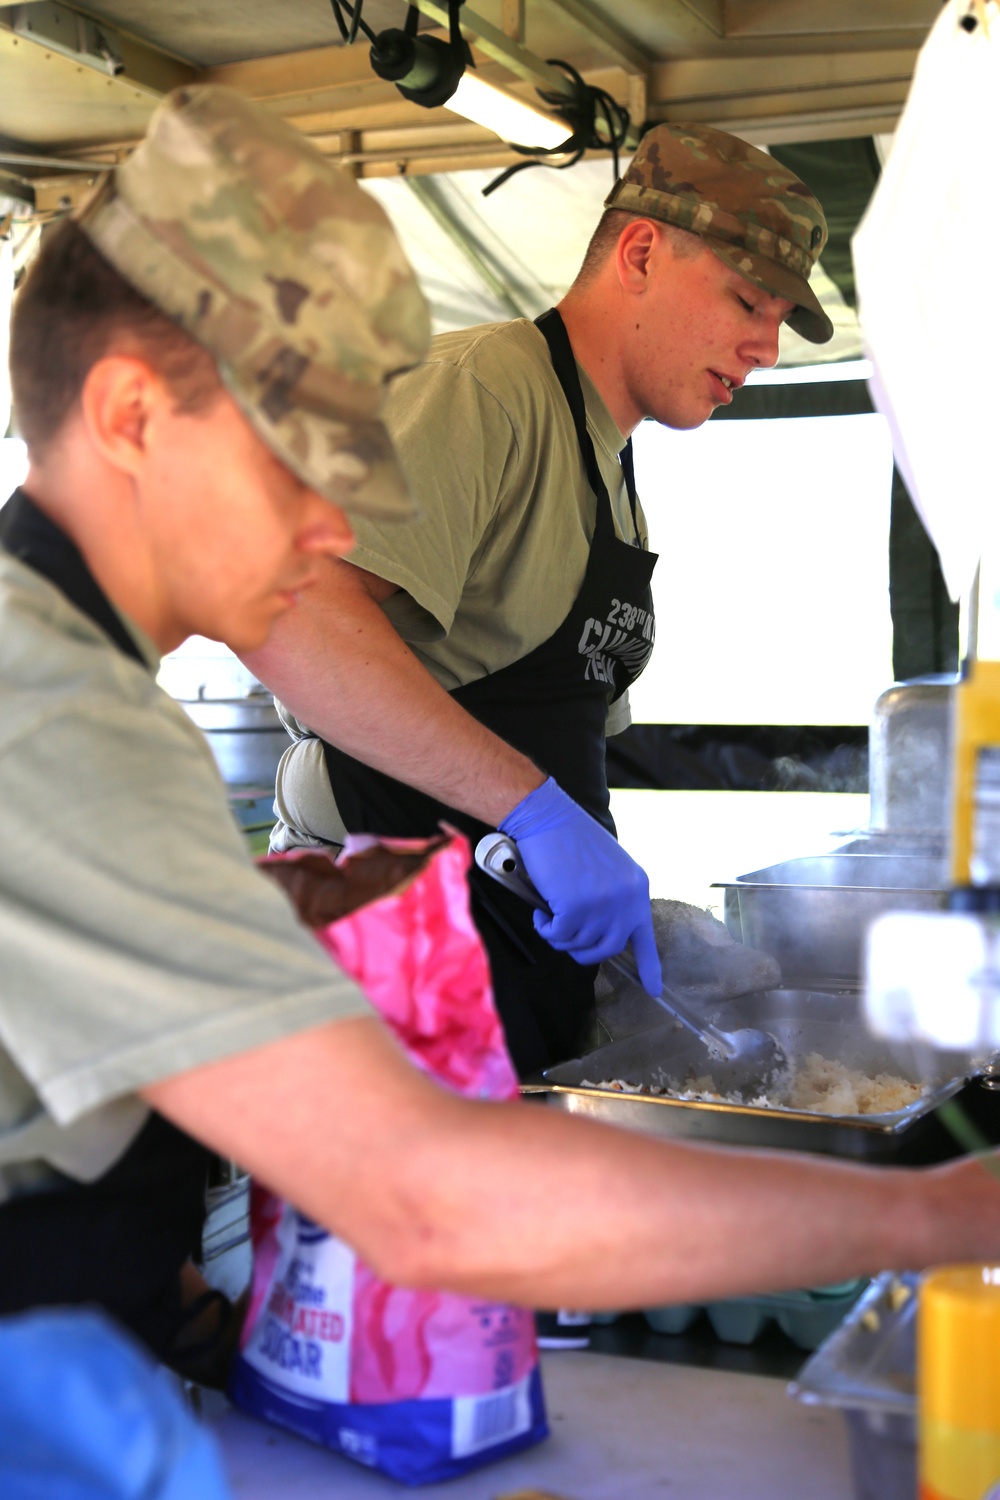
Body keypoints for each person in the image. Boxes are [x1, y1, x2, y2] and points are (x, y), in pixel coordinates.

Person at [2, 85, 999, 1382]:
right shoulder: (64, 724)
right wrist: (936, 1213)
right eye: (304, 465)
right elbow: (429, 1202)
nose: (328, 533)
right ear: (133, 417)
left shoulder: (79, 692)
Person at [245, 122, 835, 1075]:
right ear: (641, 252)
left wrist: (614, 905)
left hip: (512, 957)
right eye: (748, 302)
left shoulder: (610, 462)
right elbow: (285, 610)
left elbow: (556, 737)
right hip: (387, 958)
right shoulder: (483, 390)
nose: (765, 348)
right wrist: (535, 816)